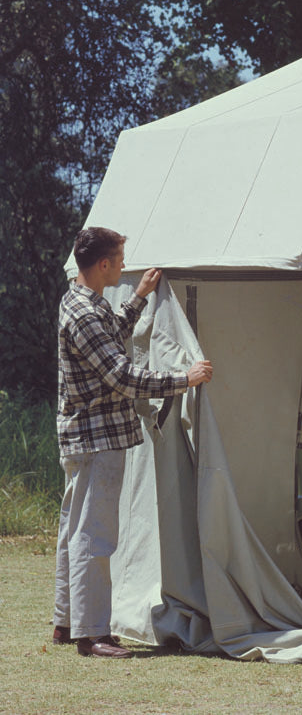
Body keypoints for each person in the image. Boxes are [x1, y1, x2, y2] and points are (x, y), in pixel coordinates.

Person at [52, 227, 213, 658]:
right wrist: (184, 379)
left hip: (86, 436)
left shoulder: (83, 303)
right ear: (103, 264)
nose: (124, 265)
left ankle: (67, 623)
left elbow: (111, 334)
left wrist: (139, 297)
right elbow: (121, 376)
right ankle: (92, 635)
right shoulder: (85, 314)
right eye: (120, 259)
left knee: (75, 530)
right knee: (94, 535)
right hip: (95, 437)